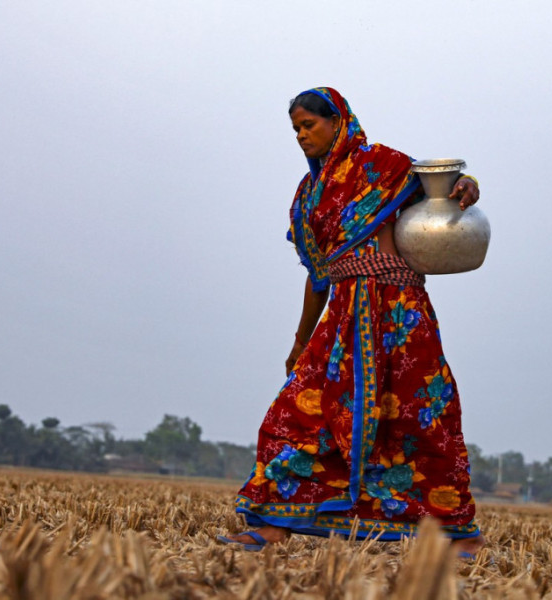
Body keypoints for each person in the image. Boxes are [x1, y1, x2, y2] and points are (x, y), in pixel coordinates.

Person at [218, 87, 484, 556]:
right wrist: (300, 342)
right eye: (296, 129)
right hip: (342, 319)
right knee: (296, 416)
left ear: (338, 120)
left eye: (309, 125)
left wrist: (468, 186)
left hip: (400, 313)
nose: (302, 135)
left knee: (422, 419)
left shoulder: (385, 165)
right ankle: (274, 521)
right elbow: (318, 276)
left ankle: (456, 534)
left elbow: (446, 188)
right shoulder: (309, 196)